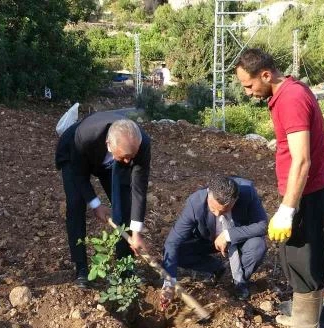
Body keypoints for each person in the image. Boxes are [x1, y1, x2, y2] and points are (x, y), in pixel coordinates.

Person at [235, 48, 324, 328]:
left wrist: (289, 208)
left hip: (307, 194)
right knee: (292, 255)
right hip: (299, 192)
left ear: (265, 75)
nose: (248, 93)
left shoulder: (290, 99)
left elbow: (302, 160)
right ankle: (301, 312)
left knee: (305, 258)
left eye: (249, 85)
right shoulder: (288, 92)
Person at [55, 111, 151, 287]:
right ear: (109, 144)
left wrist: (136, 232)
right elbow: (79, 175)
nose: (128, 161)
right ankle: (81, 268)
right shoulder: (85, 136)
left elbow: (138, 188)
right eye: (124, 157)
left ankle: (124, 267)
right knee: (76, 205)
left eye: (131, 157)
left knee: (124, 204)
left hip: (108, 159)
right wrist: (95, 204)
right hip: (74, 154)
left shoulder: (140, 144)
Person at [161, 176, 267, 304]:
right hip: (208, 240)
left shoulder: (247, 193)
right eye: (212, 209)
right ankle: (216, 267)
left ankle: (239, 281)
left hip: (239, 239)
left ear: (235, 200)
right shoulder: (195, 203)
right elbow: (173, 242)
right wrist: (169, 283)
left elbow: (262, 225)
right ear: (208, 194)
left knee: (257, 246)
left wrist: (228, 235)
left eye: (224, 210)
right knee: (176, 251)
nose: (217, 214)